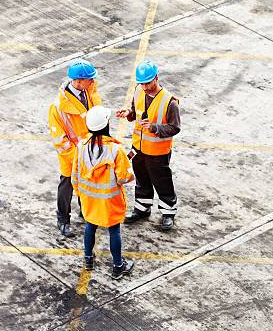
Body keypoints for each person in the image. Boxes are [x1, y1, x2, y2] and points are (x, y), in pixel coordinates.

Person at [115, 61, 180, 231]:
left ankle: (168, 212)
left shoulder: (169, 102)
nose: (144, 87)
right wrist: (128, 113)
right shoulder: (138, 91)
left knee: (162, 182)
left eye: (147, 83)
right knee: (141, 180)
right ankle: (142, 209)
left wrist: (154, 128)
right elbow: (134, 111)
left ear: (156, 78)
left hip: (158, 152)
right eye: (141, 83)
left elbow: (175, 127)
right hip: (139, 148)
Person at [72, 105, 135, 279]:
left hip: (88, 199)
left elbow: (74, 173)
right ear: (106, 125)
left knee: (90, 225)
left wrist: (79, 192)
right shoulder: (115, 150)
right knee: (114, 231)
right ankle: (117, 266)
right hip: (109, 201)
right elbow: (124, 177)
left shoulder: (81, 146)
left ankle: (88, 259)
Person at [48, 59, 101, 238]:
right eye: (90, 79)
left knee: (86, 184)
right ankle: (63, 218)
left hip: (89, 151)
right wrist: (78, 156)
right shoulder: (58, 108)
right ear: (78, 81)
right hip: (72, 155)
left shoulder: (89, 91)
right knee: (67, 185)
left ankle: (84, 211)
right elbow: (60, 140)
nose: (93, 81)